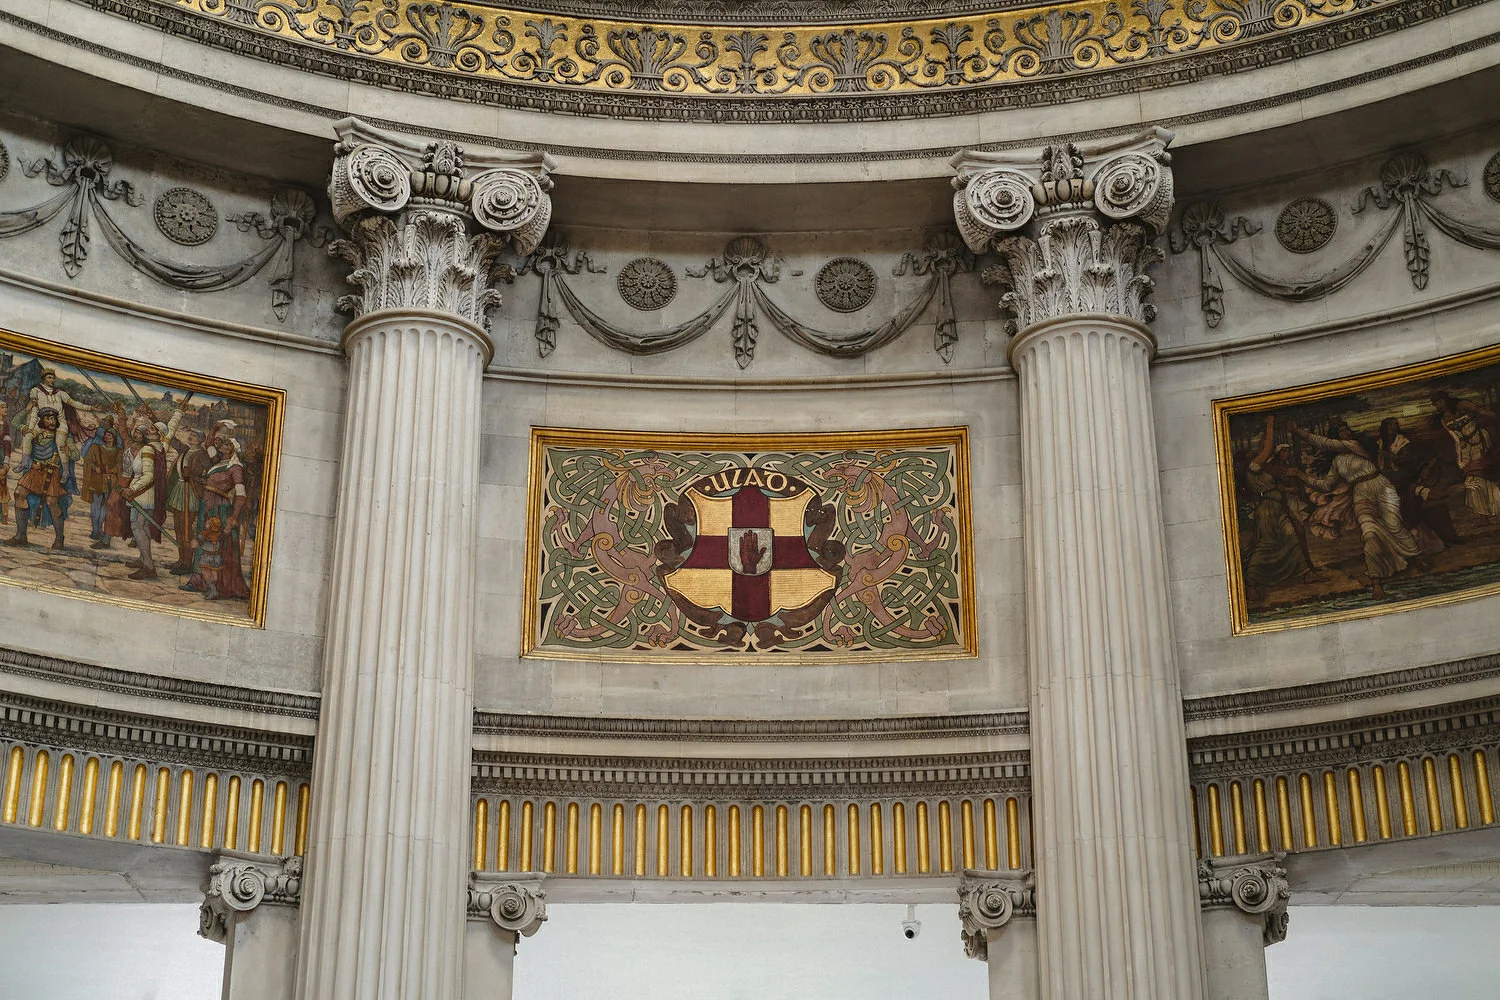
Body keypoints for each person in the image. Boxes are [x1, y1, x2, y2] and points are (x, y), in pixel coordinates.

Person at [1292, 419, 1424, 600]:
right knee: (1369, 533)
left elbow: (1324, 443)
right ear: (1337, 437)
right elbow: (1326, 485)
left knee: (1394, 525)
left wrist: (1299, 431)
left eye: (1347, 430)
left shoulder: (1355, 445)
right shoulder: (1338, 462)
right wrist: (1300, 475)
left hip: (1382, 487)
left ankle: (1416, 556)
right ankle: (1376, 582)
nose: (1347, 434)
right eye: (1342, 432)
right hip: (1361, 494)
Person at [1238, 413, 1314, 601]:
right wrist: (1270, 426)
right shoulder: (1254, 469)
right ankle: (1251, 583)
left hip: (1278, 507)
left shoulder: (1260, 470)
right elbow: (1268, 447)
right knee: (1266, 545)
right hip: (1268, 510)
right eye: (1254, 454)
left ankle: (1306, 573)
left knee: (1291, 536)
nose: (1260, 454)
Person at [1377, 416, 1459, 554]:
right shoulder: (1380, 443)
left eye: (1395, 425)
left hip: (1403, 480)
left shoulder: (1403, 442)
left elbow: (1405, 462)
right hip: (1388, 482)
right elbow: (1380, 463)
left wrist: (1391, 457)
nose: (1393, 427)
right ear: (1384, 428)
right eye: (1390, 425)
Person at [184, 436, 250, 600]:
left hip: (219, 510)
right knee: (203, 542)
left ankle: (220, 585)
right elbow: (209, 445)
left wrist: (234, 517)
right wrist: (192, 475)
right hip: (207, 507)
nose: (222, 444)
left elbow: (241, 495)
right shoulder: (219, 463)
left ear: (232, 449)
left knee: (214, 545)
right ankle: (199, 581)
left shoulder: (235, 468)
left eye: (227, 443)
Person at [5, 408, 79, 549]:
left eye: (53, 419)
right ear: (42, 420)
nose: (51, 421)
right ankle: (21, 535)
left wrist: (70, 452)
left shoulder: (63, 436)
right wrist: (28, 408)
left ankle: (59, 538)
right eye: (48, 419)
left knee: (52, 502)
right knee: (20, 493)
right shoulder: (33, 433)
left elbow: (76, 455)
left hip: (52, 473)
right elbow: (15, 422)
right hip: (35, 470)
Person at [1431, 390, 1500, 518]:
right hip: (1465, 449)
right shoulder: (1443, 419)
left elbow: (1482, 412)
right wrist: (1460, 457)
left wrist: (1496, 417)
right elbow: (1455, 438)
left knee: (1482, 476)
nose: (1438, 406)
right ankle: (1482, 514)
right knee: (1471, 479)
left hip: (1480, 442)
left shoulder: (1462, 405)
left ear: (1445, 399)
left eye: (1439, 402)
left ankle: (1494, 508)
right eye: (1435, 404)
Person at [120, 421, 165, 579]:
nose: (147, 431)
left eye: (152, 429)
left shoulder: (147, 449)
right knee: (143, 527)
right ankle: (142, 559)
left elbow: (148, 475)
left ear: (158, 434)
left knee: (138, 527)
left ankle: (149, 566)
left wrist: (132, 489)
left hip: (142, 494)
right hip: (145, 493)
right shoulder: (157, 447)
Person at [165, 427, 207, 574]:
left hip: (191, 491)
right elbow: (173, 440)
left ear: (201, 440)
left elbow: (208, 477)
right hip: (180, 489)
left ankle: (187, 563)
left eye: (195, 435)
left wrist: (192, 477)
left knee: (187, 530)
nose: (191, 436)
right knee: (178, 527)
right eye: (191, 434)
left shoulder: (202, 455)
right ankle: (181, 560)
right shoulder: (186, 450)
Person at [81, 427, 124, 548]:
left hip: (110, 481)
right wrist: (95, 468)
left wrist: (112, 470)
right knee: (95, 504)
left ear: (114, 438)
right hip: (97, 480)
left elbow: (119, 466)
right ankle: (95, 530)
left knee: (105, 506)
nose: (107, 437)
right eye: (106, 435)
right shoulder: (96, 448)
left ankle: (100, 528)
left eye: (110, 435)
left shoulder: (118, 451)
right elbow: (88, 461)